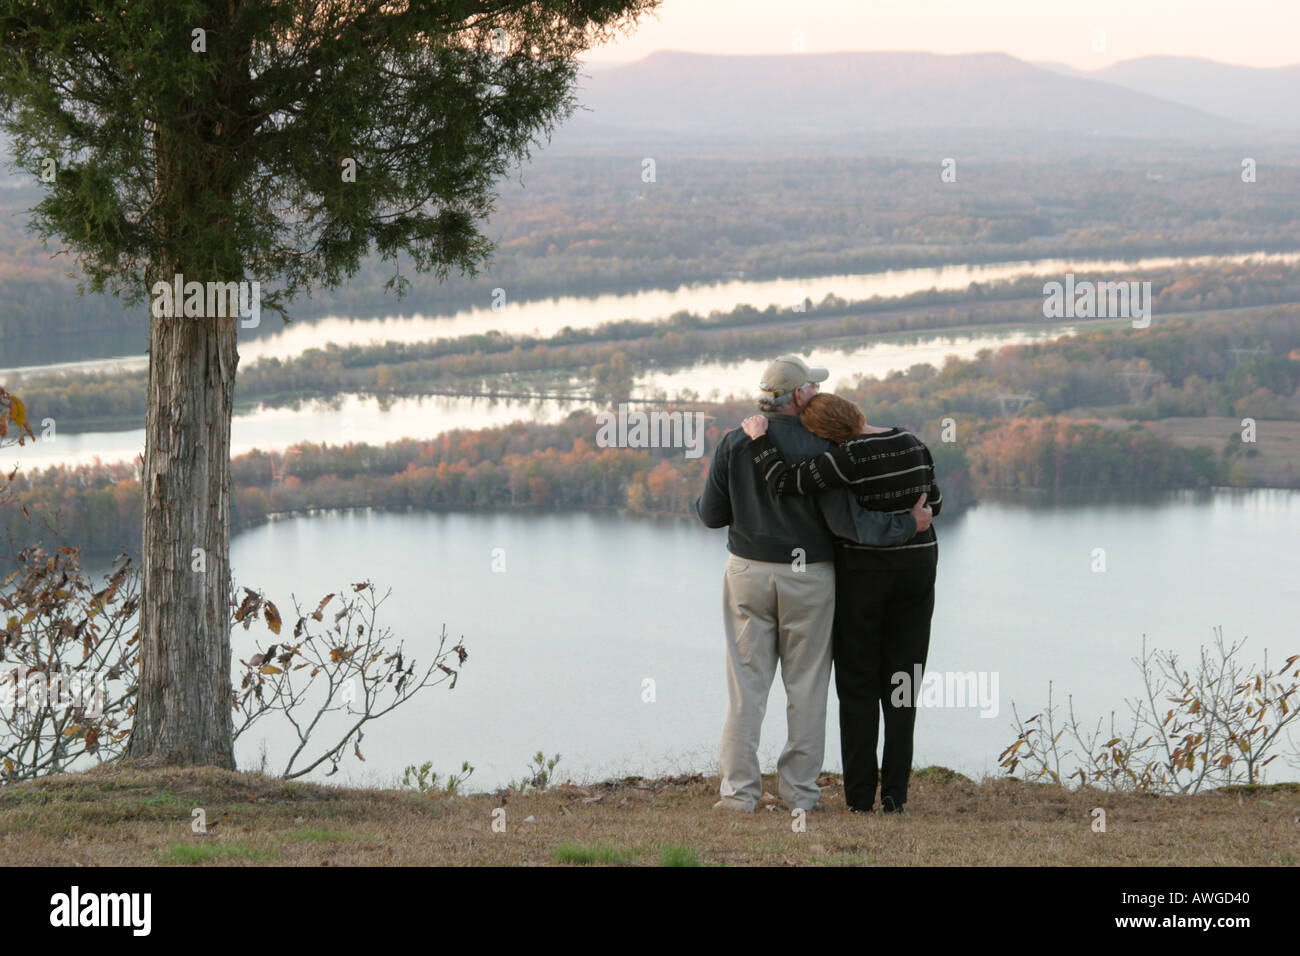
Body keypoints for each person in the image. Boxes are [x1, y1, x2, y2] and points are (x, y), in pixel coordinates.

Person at [695, 355, 932, 813]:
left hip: (746, 571)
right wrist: (910, 526)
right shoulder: (824, 445)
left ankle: (738, 795)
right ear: (800, 395)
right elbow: (850, 524)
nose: (818, 393)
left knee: (746, 687)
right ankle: (800, 796)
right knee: (806, 687)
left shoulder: (733, 442)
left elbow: (710, 516)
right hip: (809, 577)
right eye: (814, 387)